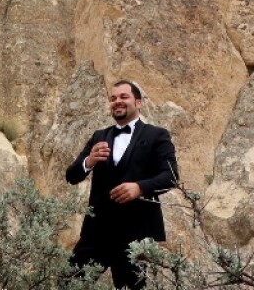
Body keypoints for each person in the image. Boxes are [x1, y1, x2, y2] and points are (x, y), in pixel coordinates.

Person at [65, 80, 178, 289]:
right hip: (96, 233)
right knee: (69, 284)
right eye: (113, 98)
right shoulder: (99, 136)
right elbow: (71, 176)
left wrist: (139, 188)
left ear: (138, 102)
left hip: (136, 236)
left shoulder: (157, 135)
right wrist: (88, 162)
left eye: (124, 97)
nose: (117, 101)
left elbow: (171, 177)